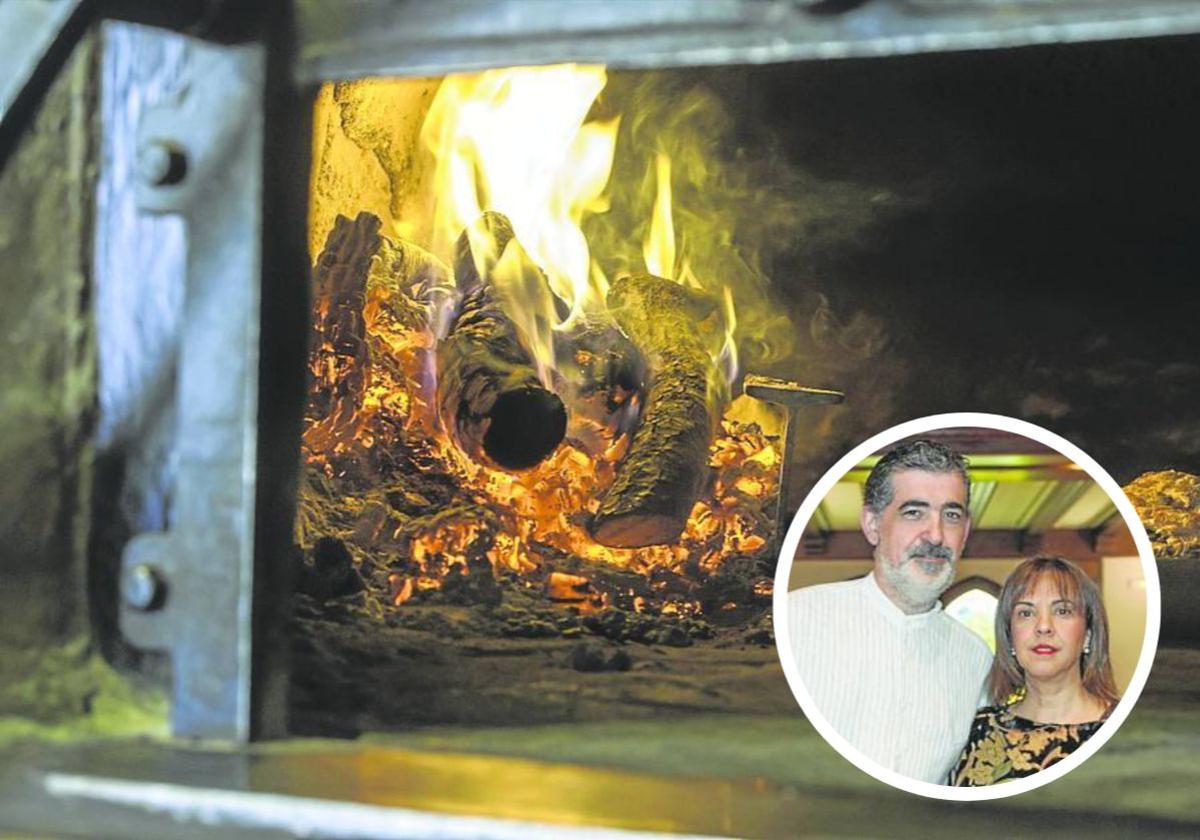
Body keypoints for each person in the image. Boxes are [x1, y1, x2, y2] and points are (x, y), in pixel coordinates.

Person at [787, 439, 993, 784]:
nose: (936, 535)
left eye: (951, 515)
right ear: (871, 524)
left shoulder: (976, 659)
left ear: (966, 531)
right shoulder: (796, 621)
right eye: (914, 512)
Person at [950, 555, 1120, 786]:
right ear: (1009, 637)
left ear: (1088, 635)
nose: (1043, 627)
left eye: (1062, 611)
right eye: (1026, 613)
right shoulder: (976, 730)